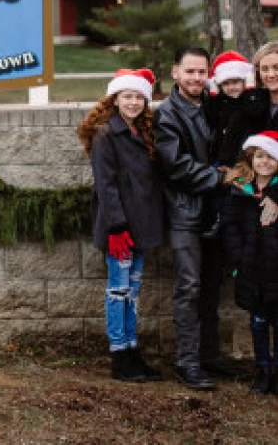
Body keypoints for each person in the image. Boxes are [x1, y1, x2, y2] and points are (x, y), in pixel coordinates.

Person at [154, 46, 234, 390]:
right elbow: (174, 166)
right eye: (190, 72)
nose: (196, 78)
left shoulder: (213, 107)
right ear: (176, 72)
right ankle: (187, 362)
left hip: (215, 212)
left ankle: (210, 356)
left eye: (202, 72)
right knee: (189, 287)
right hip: (185, 211)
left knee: (212, 287)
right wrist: (218, 177)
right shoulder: (168, 114)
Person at [78, 68, 164, 383]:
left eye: (139, 97)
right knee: (119, 289)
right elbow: (106, 184)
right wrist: (117, 226)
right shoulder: (105, 134)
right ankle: (119, 354)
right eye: (127, 96)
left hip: (141, 225)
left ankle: (132, 349)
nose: (133, 102)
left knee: (133, 291)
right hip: (120, 228)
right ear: (115, 99)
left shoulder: (142, 131)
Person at [222, 131, 278, 394]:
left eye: (271, 158)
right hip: (251, 268)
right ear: (251, 158)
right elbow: (230, 227)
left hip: (275, 269)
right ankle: (262, 369)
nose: (264, 162)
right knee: (257, 321)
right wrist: (238, 260)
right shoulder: (241, 191)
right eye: (259, 156)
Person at [202, 50, 267, 237]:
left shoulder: (252, 100)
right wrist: (214, 93)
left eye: (236, 82)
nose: (231, 88)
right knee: (216, 194)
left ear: (245, 81)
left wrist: (249, 89)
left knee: (242, 200)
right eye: (226, 84)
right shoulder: (223, 102)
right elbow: (213, 115)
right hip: (223, 160)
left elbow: (254, 110)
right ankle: (214, 219)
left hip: (244, 161)